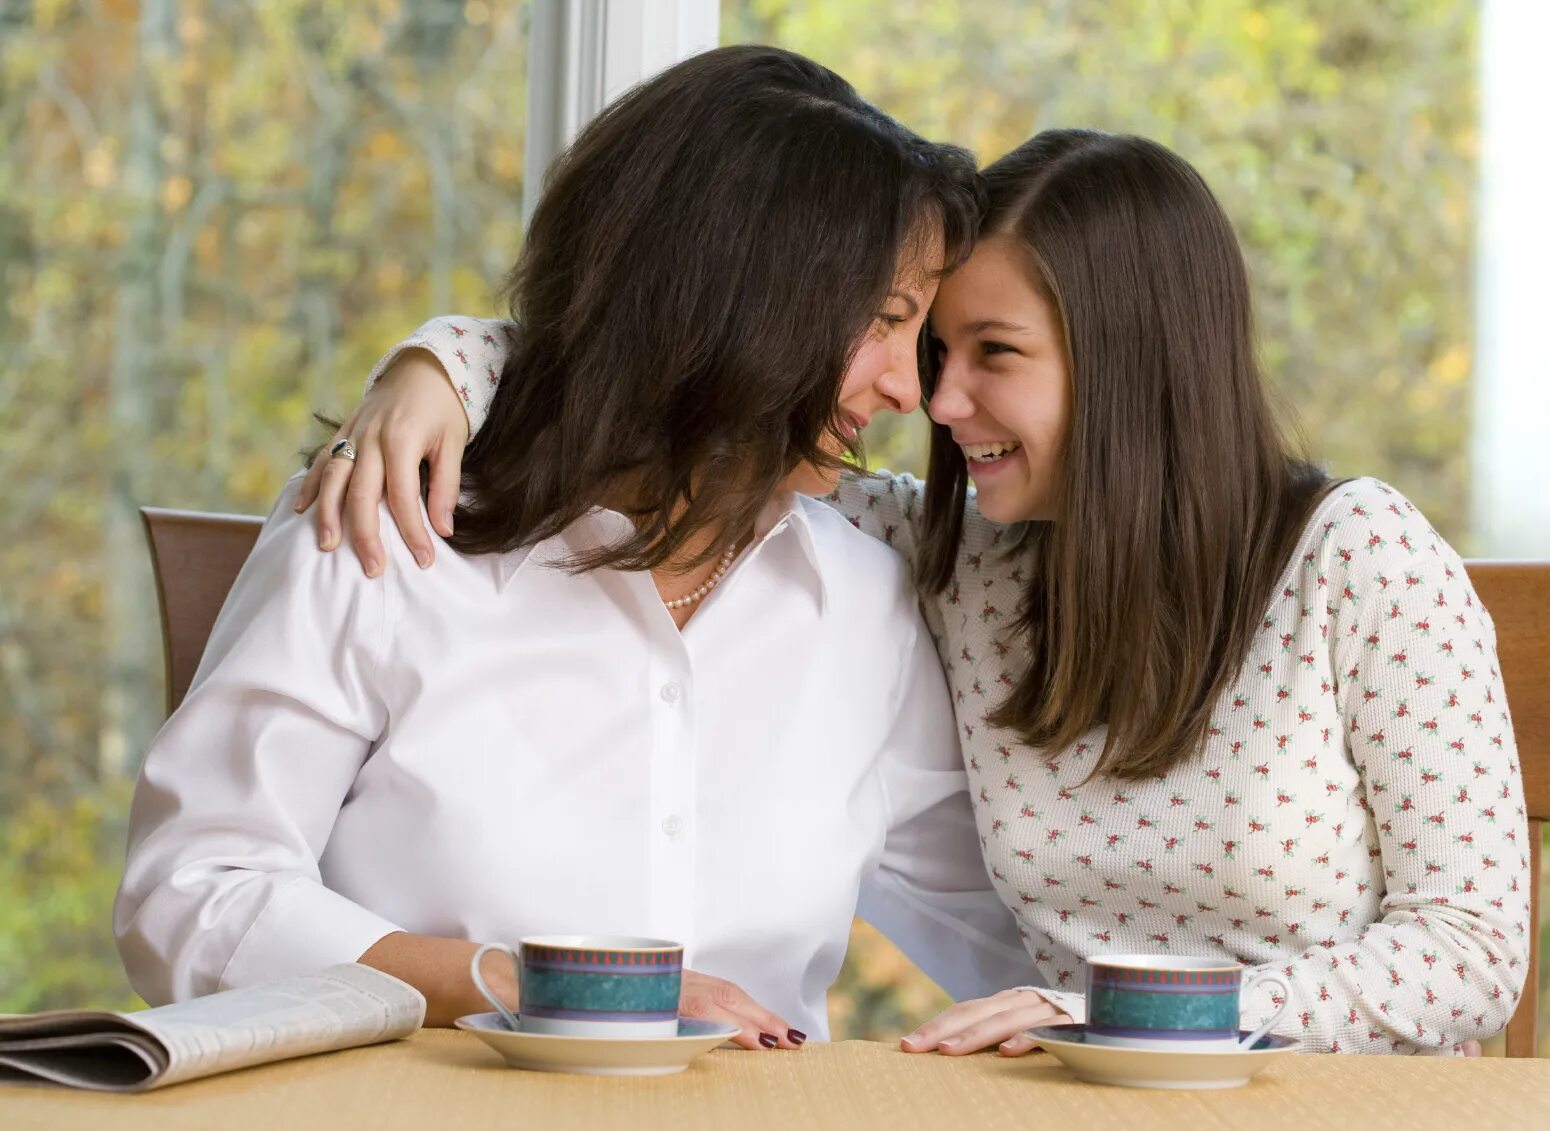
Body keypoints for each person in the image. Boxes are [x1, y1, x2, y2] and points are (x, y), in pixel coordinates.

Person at [307, 131, 1530, 1056]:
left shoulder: (1355, 556)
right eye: (933, 353)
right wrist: (450, 363)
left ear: (1136, 362)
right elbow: (697, 405)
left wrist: (1125, 1017)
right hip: (1067, 1101)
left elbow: (1471, 956)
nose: (937, 404)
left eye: (993, 356)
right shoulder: (955, 558)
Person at [114, 45, 1046, 1049]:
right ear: (732, 297)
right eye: (886, 324)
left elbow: (1010, 936)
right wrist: (510, 983)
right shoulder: (387, 526)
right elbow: (191, 895)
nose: (910, 392)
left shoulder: (868, 601)